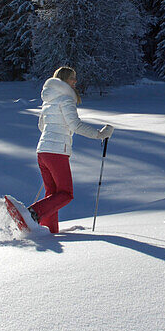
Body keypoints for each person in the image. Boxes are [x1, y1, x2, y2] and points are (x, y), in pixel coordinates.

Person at [26, 67, 114, 234]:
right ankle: (32, 213)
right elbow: (76, 125)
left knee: (51, 194)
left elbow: (41, 126)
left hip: (43, 151)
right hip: (56, 152)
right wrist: (100, 135)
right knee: (66, 193)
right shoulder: (66, 99)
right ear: (65, 80)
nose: (75, 81)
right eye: (73, 78)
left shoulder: (49, 101)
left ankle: (49, 232)